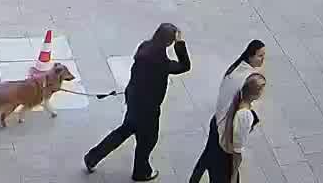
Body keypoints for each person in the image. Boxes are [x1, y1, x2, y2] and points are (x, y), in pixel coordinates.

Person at [85, 22, 191, 180]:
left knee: (122, 132)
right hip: (148, 110)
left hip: (134, 102)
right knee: (148, 141)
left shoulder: (145, 47)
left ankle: (92, 157)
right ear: (169, 42)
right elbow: (184, 66)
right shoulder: (162, 63)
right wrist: (180, 44)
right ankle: (141, 172)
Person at [190, 40, 265, 183]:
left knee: (206, 158)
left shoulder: (235, 69)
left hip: (217, 122)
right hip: (224, 135)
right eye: (260, 56)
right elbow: (236, 151)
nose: (262, 60)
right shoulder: (244, 111)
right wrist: (234, 174)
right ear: (250, 56)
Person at [203, 73, 265, 182]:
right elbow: (237, 151)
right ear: (257, 92)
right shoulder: (245, 116)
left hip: (218, 149)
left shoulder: (237, 97)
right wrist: (234, 175)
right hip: (226, 159)